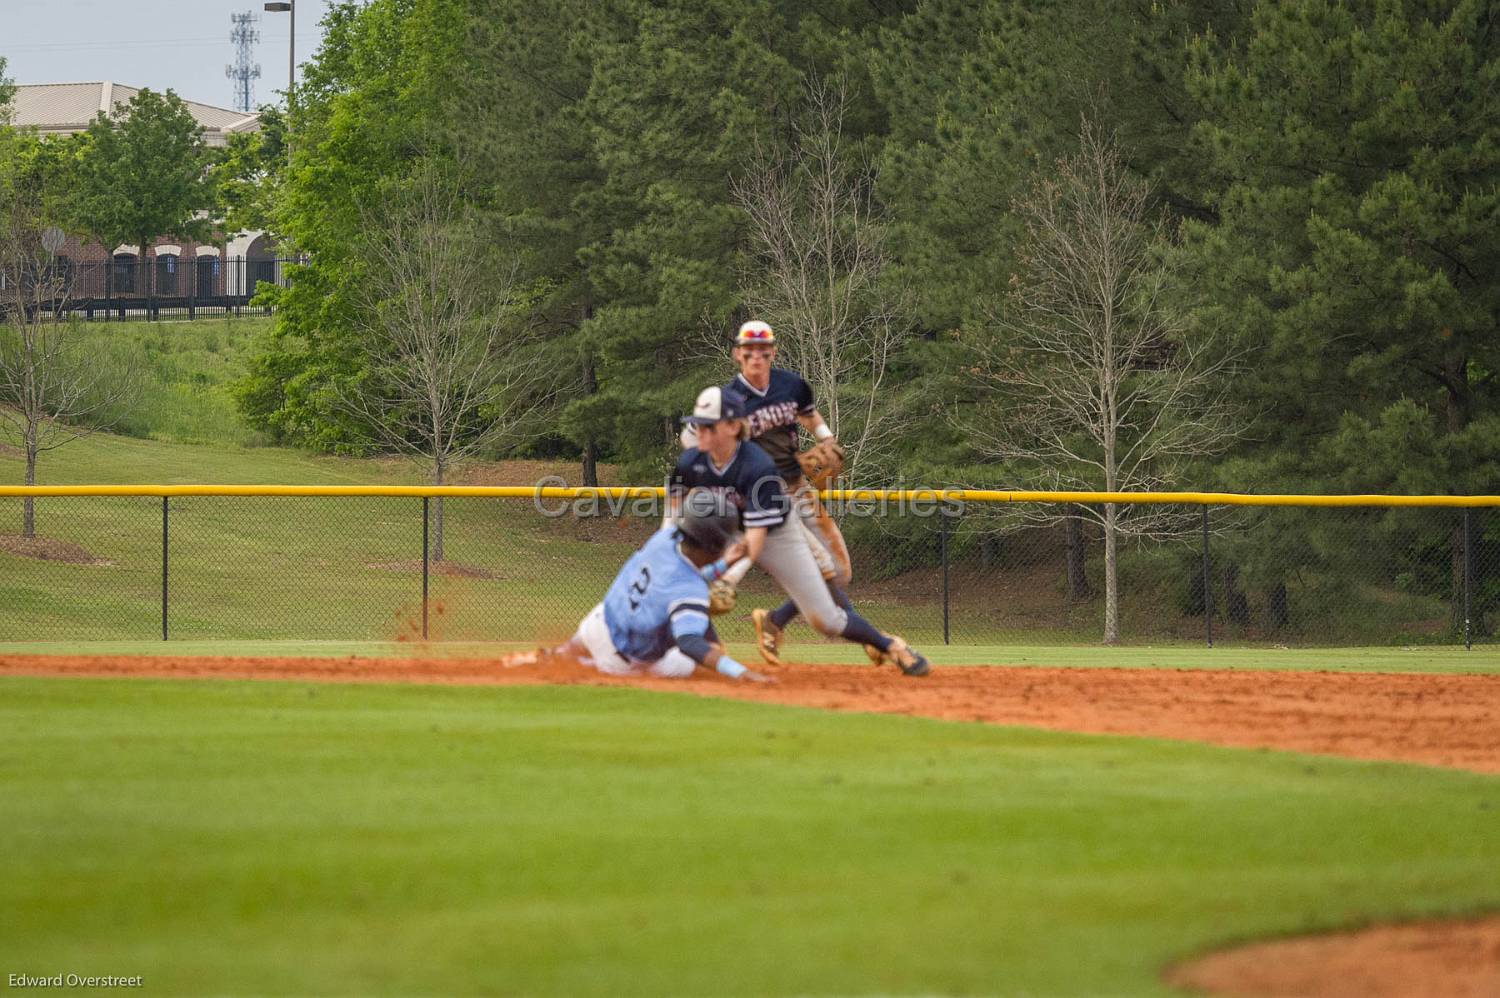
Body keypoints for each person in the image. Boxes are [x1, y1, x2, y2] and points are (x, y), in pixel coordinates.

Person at [672, 383, 929, 676]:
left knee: (826, 620)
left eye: (707, 427)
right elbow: (674, 509)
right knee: (677, 575)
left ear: (732, 427)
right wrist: (667, 547)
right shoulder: (692, 459)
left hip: (777, 533)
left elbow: (756, 540)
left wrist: (726, 577)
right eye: (697, 427)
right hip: (729, 527)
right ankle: (710, 650)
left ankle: (892, 647)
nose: (699, 433)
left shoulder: (758, 468)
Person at [717, 319, 864, 668]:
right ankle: (867, 637)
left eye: (763, 352)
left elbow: (809, 417)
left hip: (799, 487)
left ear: (773, 352)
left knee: (841, 572)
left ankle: (775, 621)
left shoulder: (791, 385)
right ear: (738, 354)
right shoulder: (729, 400)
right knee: (823, 568)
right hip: (769, 498)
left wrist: (825, 438)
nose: (756, 358)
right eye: (749, 352)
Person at [559, 487, 772, 682]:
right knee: (691, 664)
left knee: (555, 659)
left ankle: (553, 656)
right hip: (621, 662)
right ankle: (592, 667)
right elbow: (690, 642)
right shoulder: (691, 592)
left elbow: (678, 578)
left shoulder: (664, 539)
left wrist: (726, 563)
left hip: (596, 624)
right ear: (714, 546)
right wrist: (739, 671)